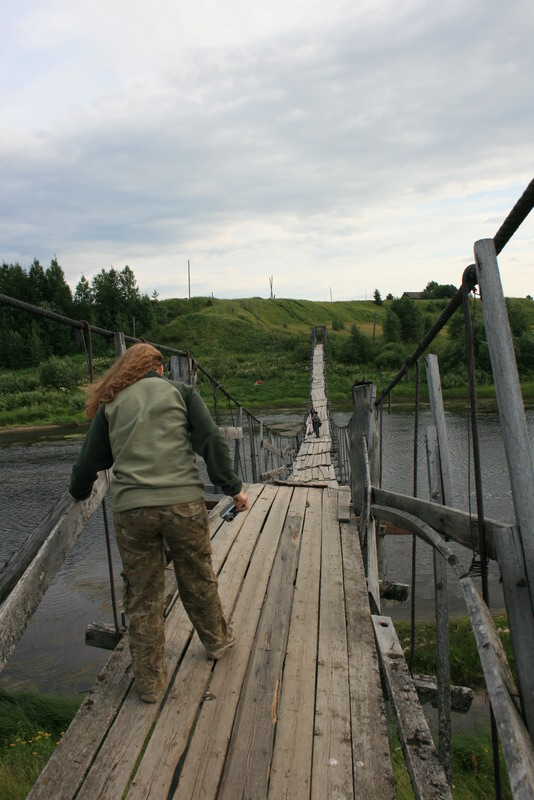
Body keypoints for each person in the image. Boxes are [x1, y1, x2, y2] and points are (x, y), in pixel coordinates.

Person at [69, 343, 249, 703]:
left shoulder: (112, 404)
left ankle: (150, 683)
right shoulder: (181, 392)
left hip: (133, 512)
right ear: (159, 369)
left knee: (142, 594)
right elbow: (211, 439)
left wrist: (80, 490)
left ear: (128, 370)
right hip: (183, 505)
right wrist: (233, 489)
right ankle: (216, 642)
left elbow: (88, 462)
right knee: (197, 575)